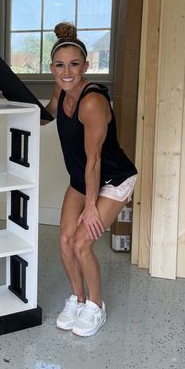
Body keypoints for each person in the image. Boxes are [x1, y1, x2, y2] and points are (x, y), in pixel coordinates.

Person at [44, 22, 137, 337]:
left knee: (83, 243)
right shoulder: (62, 90)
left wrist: (93, 206)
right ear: (52, 68)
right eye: (60, 65)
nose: (66, 71)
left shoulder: (92, 101)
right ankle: (77, 298)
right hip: (82, 178)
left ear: (85, 66)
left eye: (73, 65)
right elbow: (47, 114)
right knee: (65, 240)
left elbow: (95, 159)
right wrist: (9, 90)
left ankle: (96, 306)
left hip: (113, 177)